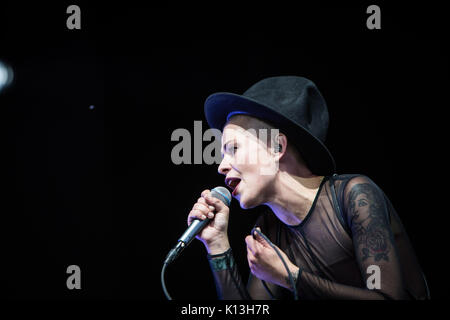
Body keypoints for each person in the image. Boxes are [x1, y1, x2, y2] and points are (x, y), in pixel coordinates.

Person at [187, 76, 430, 300]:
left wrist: (290, 277)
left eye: (234, 149)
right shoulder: (268, 232)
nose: (221, 166)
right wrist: (217, 245)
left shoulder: (354, 196)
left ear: (276, 147)